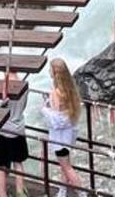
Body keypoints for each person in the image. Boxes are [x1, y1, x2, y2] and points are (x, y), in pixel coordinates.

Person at [42, 58, 82, 189]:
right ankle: (63, 190)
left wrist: (44, 108)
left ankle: (82, 193)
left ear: (54, 73)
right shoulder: (70, 90)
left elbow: (56, 118)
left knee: (67, 167)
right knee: (66, 165)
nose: (49, 71)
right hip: (69, 134)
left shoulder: (55, 93)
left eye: (50, 69)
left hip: (60, 137)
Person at [0, 77, 30, 197]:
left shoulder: (4, 84)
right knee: (18, 163)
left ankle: (2, 194)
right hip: (18, 129)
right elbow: (24, 106)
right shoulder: (24, 84)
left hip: (3, 129)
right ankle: (20, 192)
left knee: (0, 166)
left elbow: (0, 108)